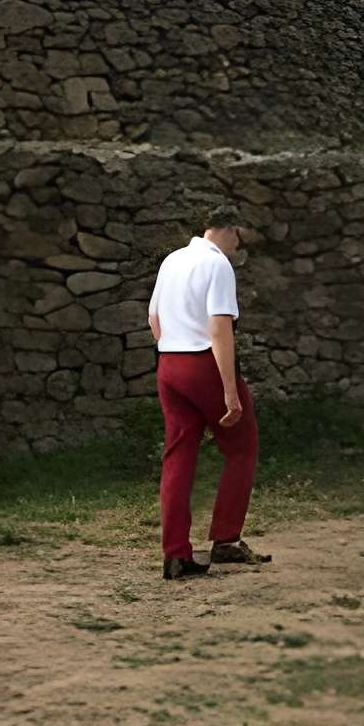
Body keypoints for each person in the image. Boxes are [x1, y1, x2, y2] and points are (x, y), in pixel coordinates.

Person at [148, 206, 272, 581]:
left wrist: (175, 350)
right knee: (241, 446)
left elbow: (154, 319)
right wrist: (230, 390)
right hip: (204, 364)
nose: (239, 245)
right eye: (239, 237)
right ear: (229, 229)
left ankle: (175, 555)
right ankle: (226, 539)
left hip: (169, 361)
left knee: (178, 456)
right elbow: (219, 328)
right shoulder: (217, 265)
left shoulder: (172, 260)